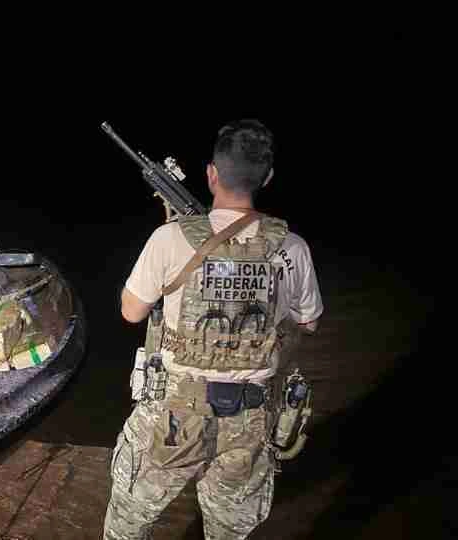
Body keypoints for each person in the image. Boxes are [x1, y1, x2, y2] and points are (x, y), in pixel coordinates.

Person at [102, 119, 323, 539]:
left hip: (172, 415)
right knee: (229, 532)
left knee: (128, 525)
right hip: (250, 418)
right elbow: (308, 321)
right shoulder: (291, 247)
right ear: (267, 178)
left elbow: (131, 312)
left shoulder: (169, 239)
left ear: (211, 174)